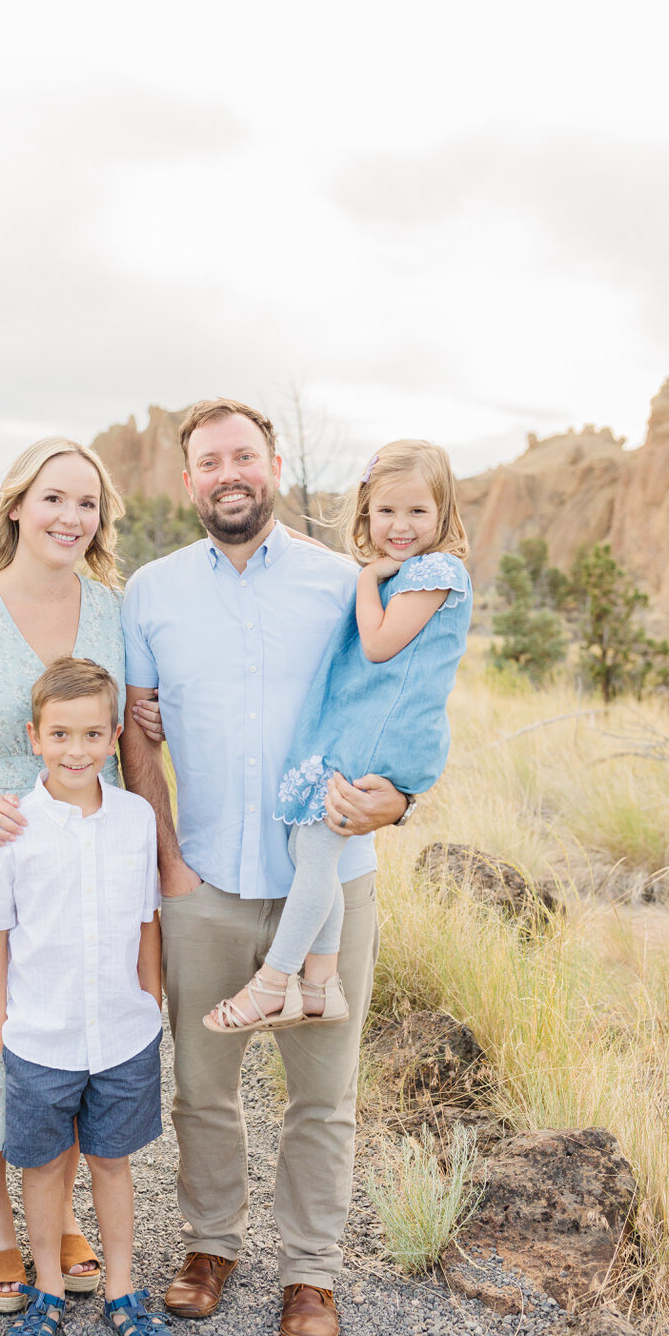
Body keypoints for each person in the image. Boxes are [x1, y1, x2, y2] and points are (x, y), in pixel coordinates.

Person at [119, 397, 412, 1336]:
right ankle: (209, 1247)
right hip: (203, 880)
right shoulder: (152, 593)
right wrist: (166, 860)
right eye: (210, 462)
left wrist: (400, 799)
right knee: (201, 1087)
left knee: (321, 1094)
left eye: (244, 456)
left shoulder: (343, 583)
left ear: (275, 465)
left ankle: (309, 1274)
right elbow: (136, 730)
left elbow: (402, 698)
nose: (228, 474)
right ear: (189, 480)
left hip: (328, 888)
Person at [0, 437, 162, 1311]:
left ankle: (67, 1223)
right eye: (53, 499)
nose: (69, 518)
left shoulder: (115, 612)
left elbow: (128, 733)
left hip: (94, 847)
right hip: (6, 845)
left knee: (85, 1018)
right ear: (17, 506)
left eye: (86, 504)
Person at [204, 439, 472, 1034]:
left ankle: (275, 982)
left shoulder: (436, 571)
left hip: (384, 733)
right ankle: (322, 985)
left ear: (444, 513)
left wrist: (365, 580)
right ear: (366, 513)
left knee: (318, 854)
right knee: (309, 847)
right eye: (386, 512)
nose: (400, 527)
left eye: (417, 513)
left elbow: (377, 645)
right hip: (364, 728)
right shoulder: (405, 569)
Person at [0, 657, 175, 1336]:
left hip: (122, 1032)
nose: (74, 750)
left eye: (89, 734)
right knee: (46, 1165)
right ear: (34, 737)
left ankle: (120, 1291)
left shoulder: (136, 818)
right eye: (59, 735)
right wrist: (2, 1024)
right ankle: (47, 1290)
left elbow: (146, 915)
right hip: (41, 1036)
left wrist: (152, 996)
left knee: (111, 1162)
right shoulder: (14, 826)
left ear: (114, 737)